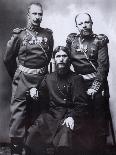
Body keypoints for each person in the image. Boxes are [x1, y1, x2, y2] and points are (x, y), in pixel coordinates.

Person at [4, 2, 54, 155]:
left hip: (41, 79)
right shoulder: (19, 35)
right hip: (23, 79)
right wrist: (17, 75)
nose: (37, 17)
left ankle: (35, 147)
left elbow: (48, 57)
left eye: (40, 14)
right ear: (28, 15)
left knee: (40, 113)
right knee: (19, 116)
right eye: (34, 14)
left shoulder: (48, 35)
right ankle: (16, 150)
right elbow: (8, 59)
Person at [25, 46, 89, 155]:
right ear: (54, 59)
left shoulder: (76, 79)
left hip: (68, 117)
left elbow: (81, 104)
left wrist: (72, 116)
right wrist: (33, 90)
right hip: (52, 116)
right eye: (58, 56)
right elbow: (41, 96)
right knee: (33, 134)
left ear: (69, 59)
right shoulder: (48, 78)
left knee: (63, 143)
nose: (61, 59)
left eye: (64, 56)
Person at [66, 13, 110, 154]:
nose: (84, 25)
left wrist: (94, 88)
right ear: (76, 26)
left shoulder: (100, 41)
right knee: (79, 117)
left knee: (99, 121)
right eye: (81, 23)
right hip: (78, 84)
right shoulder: (71, 41)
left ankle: (99, 150)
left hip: (96, 84)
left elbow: (103, 68)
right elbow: (65, 61)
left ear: (92, 22)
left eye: (87, 22)